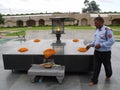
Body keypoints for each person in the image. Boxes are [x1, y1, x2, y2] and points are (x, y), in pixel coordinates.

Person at [86, 16, 115, 86]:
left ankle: (109, 74)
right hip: (97, 52)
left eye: (96, 23)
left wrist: (101, 45)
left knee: (107, 66)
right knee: (96, 67)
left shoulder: (107, 30)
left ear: (101, 22)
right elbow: (96, 41)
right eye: (94, 23)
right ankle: (94, 80)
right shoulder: (97, 30)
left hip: (106, 53)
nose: (95, 24)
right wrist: (90, 45)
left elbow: (111, 41)